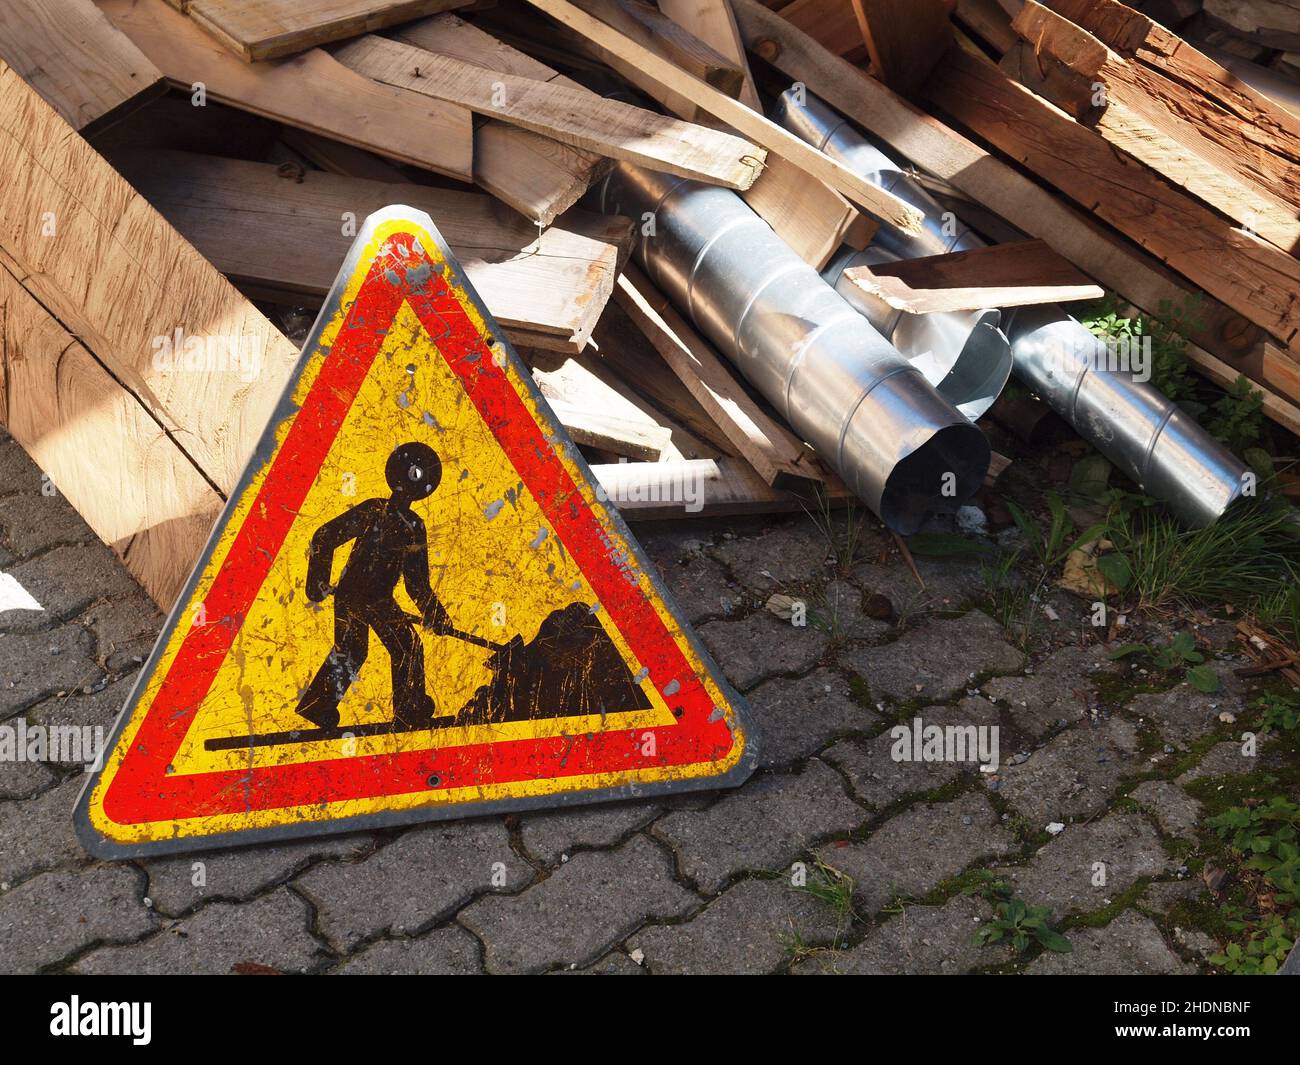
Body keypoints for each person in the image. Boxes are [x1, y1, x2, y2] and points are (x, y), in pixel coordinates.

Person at [295, 441, 452, 730]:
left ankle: (322, 705)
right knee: (390, 648)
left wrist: (435, 614)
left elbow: (416, 583)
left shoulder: (413, 526)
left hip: (376, 598)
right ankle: (407, 709)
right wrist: (316, 583)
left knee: (382, 648)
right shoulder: (374, 511)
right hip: (356, 596)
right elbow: (324, 536)